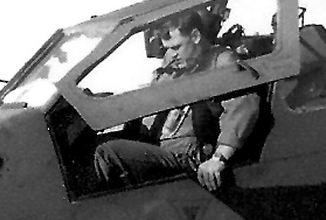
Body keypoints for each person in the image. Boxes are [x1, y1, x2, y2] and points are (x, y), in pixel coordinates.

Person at [93, 10, 262, 192]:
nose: (171, 54)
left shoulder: (220, 62)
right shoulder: (178, 63)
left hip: (189, 156)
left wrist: (218, 159)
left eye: (176, 47)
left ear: (196, 36)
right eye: (167, 48)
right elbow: (152, 98)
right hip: (159, 144)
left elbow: (243, 108)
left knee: (108, 153)